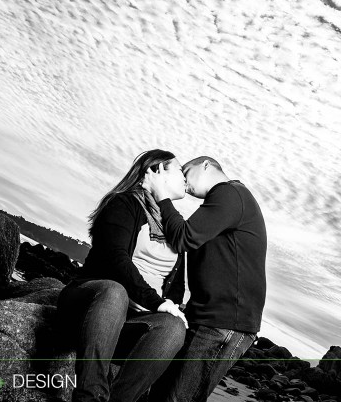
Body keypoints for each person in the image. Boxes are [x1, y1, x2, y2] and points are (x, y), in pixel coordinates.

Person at [57, 150, 191, 402]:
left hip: (131, 321)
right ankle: (89, 396)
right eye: (179, 170)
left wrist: (169, 305)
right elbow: (116, 260)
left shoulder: (173, 224)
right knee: (114, 292)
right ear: (157, 170)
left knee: (174, 328)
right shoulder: (124, 203)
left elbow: (176, 288)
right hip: (91, 307)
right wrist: (156, 302)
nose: (185, 178)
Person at [144, 156, 267, 402]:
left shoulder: (230, 194)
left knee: (177, 398)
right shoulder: (221, 202)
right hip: (205, 318)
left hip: (225, 323)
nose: (184, 180)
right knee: (159, 394)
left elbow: (183, 238)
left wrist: (162, 196)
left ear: (206, 166)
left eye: (186, 171)